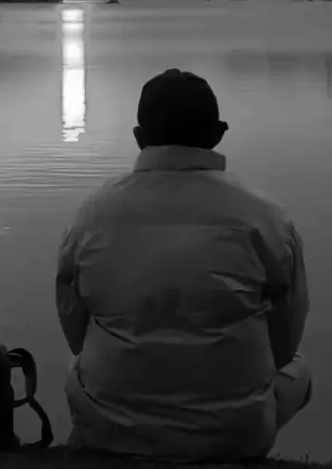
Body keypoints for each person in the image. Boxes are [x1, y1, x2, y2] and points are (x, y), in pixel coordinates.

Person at [56, 69, 311, 462]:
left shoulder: (90, 216)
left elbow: (75, 329)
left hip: (109, 427)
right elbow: (285, 342)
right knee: (299, 370)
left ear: (138, 137)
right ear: (218, 134)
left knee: (82, 358)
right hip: (233, 435)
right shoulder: (267, 219)